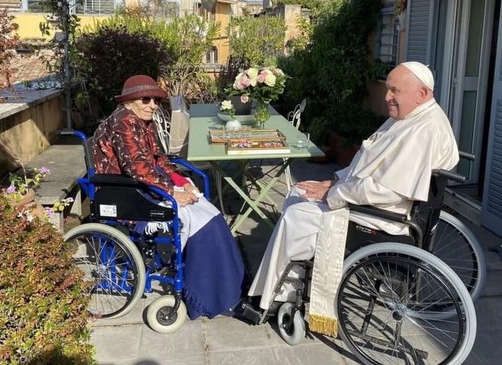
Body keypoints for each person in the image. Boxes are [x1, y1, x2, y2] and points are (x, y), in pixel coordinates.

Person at [246, 61, 460, 314]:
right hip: (376, 203)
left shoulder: (424, 130)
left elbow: (386, 190)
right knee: (301, 191)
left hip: (385, 217)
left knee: (298, 214)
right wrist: (336, 181)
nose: (387, 96)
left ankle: (278, 296)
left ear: (421, 94)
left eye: (395, 91)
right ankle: (278, 286)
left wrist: (334, 193)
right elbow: (370, 161)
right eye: (388, 89)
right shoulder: (410, 117)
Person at [92, 75, 245, 320]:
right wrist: (173, 192)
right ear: (129, 101)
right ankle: (205, 293)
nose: (152, 104)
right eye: (146, 99)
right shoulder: (123, 124)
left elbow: (158, 159)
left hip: (142, 186)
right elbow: (137, 168)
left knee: (206, 211)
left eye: (155, 99)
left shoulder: (142, 121)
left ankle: (225, 283)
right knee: (190, 215)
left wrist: (181, 181)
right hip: (123, 192)